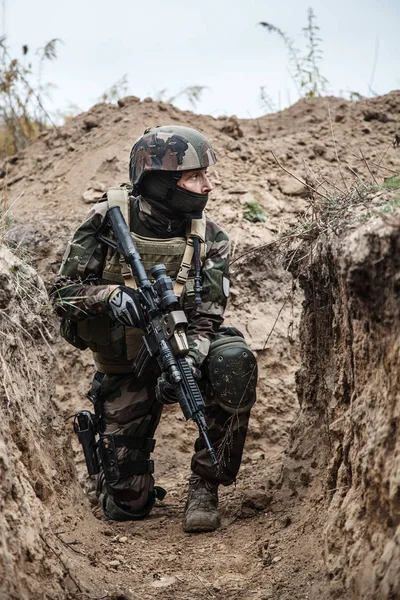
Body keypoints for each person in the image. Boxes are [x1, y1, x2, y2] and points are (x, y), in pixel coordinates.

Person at [51, 125, 257, 532]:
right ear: (161, 183)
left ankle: (205, 483)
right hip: (125, 363)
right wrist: (108, 297)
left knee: (232, 359)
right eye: (195, 176)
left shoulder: (211, 238)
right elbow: (60, 294)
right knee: (126, 507)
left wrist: (186, 361)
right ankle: (114, 478)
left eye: (206, 175)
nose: (207, 186)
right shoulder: (106, 220)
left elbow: (207, 320)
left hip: (180, 349)